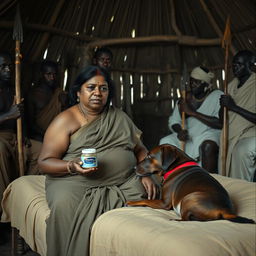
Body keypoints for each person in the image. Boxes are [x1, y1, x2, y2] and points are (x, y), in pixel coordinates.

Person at [38, 65, 157, 256]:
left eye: (103, 88)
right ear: (78, 92)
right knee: (64, 205)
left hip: (123, 182)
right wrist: (71, 166)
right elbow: (44, 162)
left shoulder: (119, 117)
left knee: (153, 189)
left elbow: (140, 149)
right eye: (90, 87)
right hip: (74, 181)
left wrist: (145, 172)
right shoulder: (66, 120)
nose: (97, 93)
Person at [160, 66, 223, 173]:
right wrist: (180, 131)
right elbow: (174, 121)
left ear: (206, 85)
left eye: (197, 82)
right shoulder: (185, 98)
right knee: (165, 142)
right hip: (187, 135)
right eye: (191, 81)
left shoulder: (217, 96)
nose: (192, 84)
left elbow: (219, 123)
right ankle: (172, 178)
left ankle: (207, 181)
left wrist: (192, 113)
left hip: (208, 134)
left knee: (208, 145)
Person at [219, 50, 256, 181]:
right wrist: (223, 106)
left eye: (239, 64)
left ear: (250, 65)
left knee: (241, 150)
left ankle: (243, 191)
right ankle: (229, 191)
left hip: (252, 133)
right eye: (234, 64)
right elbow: (221, 120)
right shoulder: (230, 86)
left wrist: (234, 107)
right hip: (233, 133)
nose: (235, 67)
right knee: (226, 146)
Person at [0, 52, 22, 242]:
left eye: (9, 66)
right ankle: (5, 211)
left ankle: (28, 207)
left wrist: (25, 136)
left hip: (15, 137)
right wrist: (8, 115)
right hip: (1, 139)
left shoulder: (13, 90)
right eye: (3, 67)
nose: (7, 70)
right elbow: (10, 115)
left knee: (40, 152)